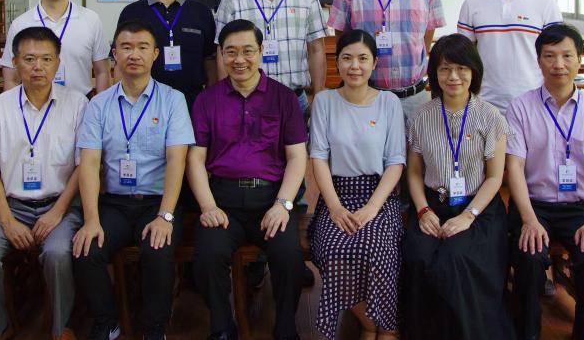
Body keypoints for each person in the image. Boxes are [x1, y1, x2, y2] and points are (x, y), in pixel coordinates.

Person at [72, 19, 195, 340]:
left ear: (155, 54)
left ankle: (154, 327)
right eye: (126, 47)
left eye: (142, 47)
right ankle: (107, 320)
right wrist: (91, 219)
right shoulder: (98, 104)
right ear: (114, 53)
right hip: (113, 203)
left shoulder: (173, 100)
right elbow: (89, 164)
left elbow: (177, 160)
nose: (134, 54)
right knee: (86, 249)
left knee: (158, 250)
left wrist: (165, 216)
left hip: (157, 202)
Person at [0, 27, 88, 340]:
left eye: (46, 59)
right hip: (11, 207)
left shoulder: (77, 105)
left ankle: (61, 328)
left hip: (60, 206)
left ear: (58, 63)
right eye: (29, 59)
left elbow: (83, 167)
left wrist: (57, 212)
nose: (38, 67)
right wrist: (6, 221)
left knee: (58, 254)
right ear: (16, 63)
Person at [189, 19, 308, 340]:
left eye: (247, 51)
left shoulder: (284, 98)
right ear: (221, 55)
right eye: (231, 52)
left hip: (271, 200)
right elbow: (195, 158)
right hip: (223, 201)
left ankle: (286, 325)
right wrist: (208, 206)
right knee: (207, 256)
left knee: (289, 256)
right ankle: (221, 326)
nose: (239, 60)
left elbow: (297, 157)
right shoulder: (207, 100)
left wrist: (283, 204)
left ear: (261, 51)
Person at [506, 23, 584, 340]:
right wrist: (528, 219)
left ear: (580, 59)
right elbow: (514, 166)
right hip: (534, 205)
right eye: (550, 56)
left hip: (579, 208)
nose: (558, 64)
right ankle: (528, 331)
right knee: (528, 259)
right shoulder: (520, 107)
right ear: (538, 60)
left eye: (567, 55)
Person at [401, 34, 513, 339]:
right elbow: (414, 173)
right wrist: (422, 210)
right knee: (419, 256)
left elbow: (495, 177)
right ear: (434, 73)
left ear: (474, 71)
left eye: (462, 68)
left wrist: (468, 216)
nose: (453, 76)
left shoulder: (490, 117)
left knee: (456, 257)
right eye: (445, 68)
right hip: (432, 204)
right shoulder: (422, 116)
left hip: (478, 207)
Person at [308, 29, 405, 340]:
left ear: (374, 63)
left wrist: (373, 207)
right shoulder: (324, 101)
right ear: (337, 62)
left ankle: (387, 327)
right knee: (334, 249)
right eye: (347, 58)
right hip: (337, 196)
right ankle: (368, 322)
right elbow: (318, 157)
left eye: (363, 59)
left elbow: (396, 161)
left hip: (379, 197)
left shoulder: (389, 102)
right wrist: (335, 207)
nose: (355, 66)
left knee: (377, 249)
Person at [457, 0, 562, 113]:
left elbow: (555, 55)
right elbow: (463, 58)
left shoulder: (545, 4)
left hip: (533, 104)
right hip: (484, 104)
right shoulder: (472, 3)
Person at [118, 0, 218, 111]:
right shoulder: (132, 12)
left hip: (193, 103)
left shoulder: (201, 12)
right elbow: (120, 63)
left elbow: (210, 61)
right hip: (143, 102)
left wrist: (211, 103)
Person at [0, 0, 111, 98]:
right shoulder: (20, 24)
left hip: (81, 106)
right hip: (33, 106)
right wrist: (13, 109)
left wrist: (101, 108)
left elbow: (102, 72)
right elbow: (11, 79)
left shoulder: (91, 20)